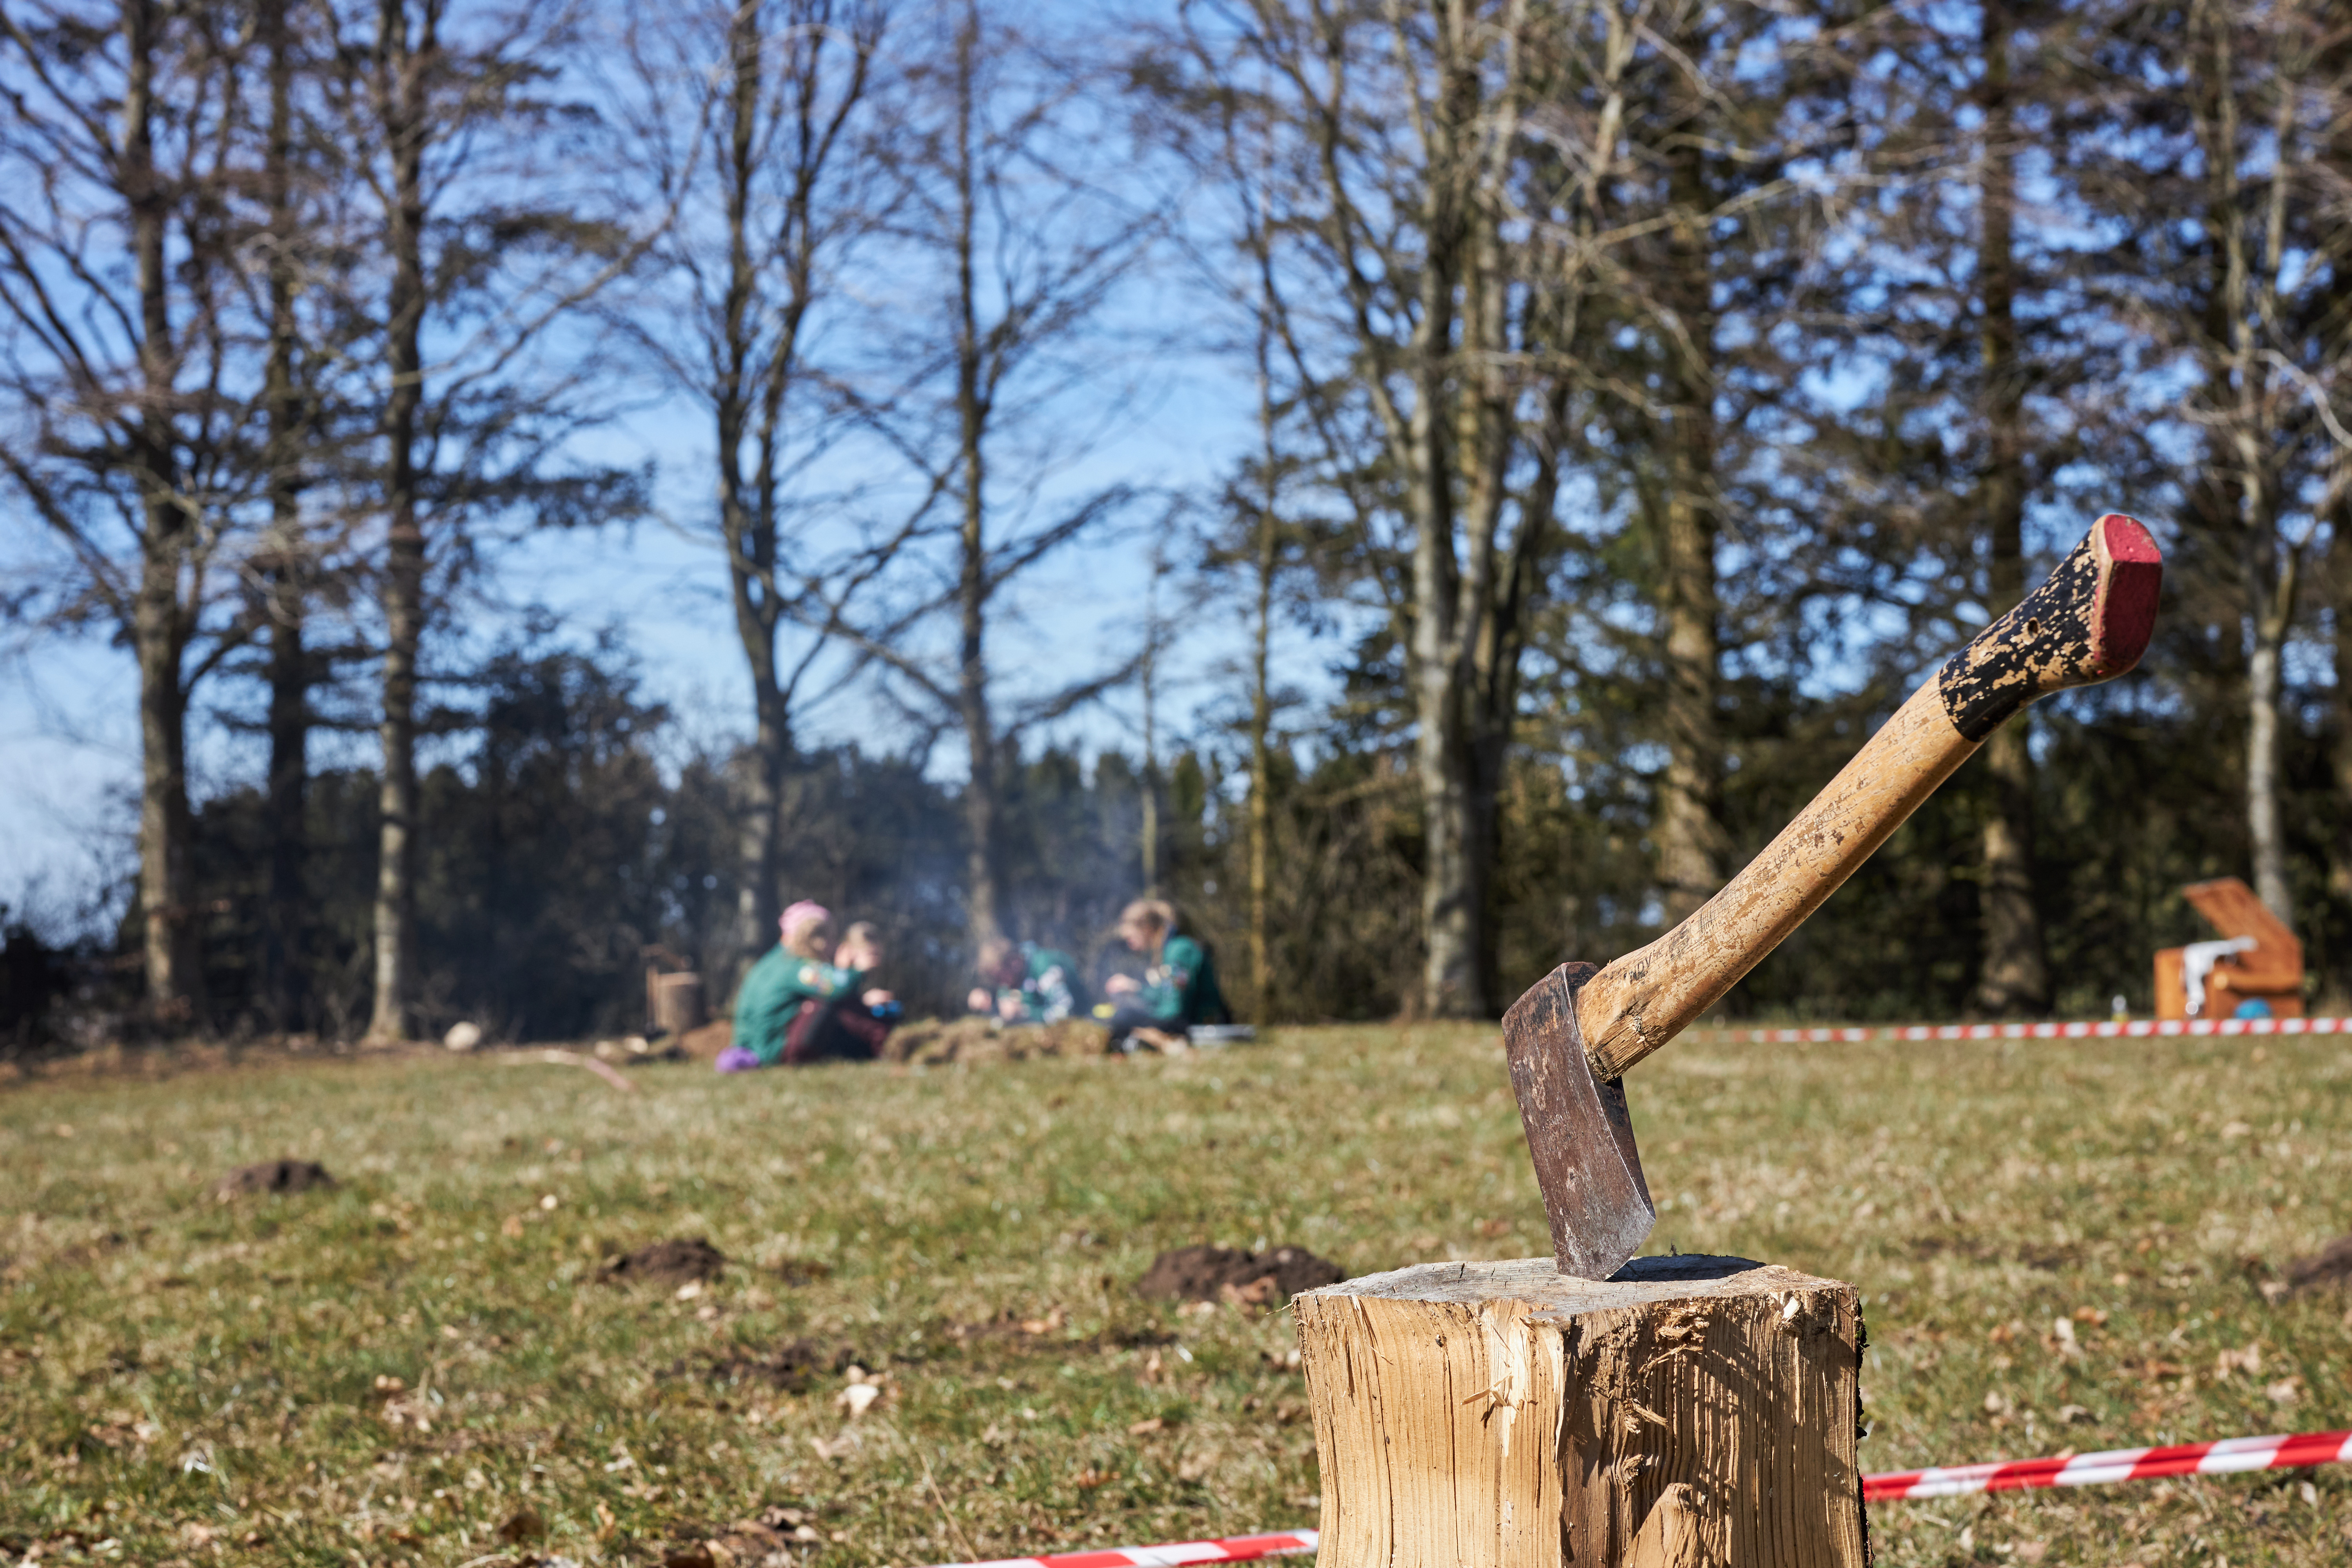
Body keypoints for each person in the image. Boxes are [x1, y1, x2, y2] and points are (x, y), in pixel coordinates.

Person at [718, 902, 891, 1071]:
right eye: (830, 937)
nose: (833, 944)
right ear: (814, 937)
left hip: (756, 1047)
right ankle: (886, 1044)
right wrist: (857, 971)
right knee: (826, 1004)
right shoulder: (796, 965)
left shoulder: (772, 962)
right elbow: (836, 989)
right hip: (772, 1050)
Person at [1100, 898, 1229, 1052]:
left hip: (1201, 1025)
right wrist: (1135, 989)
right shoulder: (1163, 953)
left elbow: (1174, 1008)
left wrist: (1140, 1015)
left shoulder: (1180, 951)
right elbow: (1164, 995)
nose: (1130, 943)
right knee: (1122, 1016)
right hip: (1183, 1020)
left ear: (1147, 929)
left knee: (1124, 1017)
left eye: (1131, 937)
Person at [967, 936, 1085, 1025]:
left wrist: (1025, 1013)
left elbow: (1066, 1012)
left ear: (1014, 962)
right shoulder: (1011, 982)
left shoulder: (1044, 967)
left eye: (1000, 977)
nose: (1000, 984)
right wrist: (987, 1005)